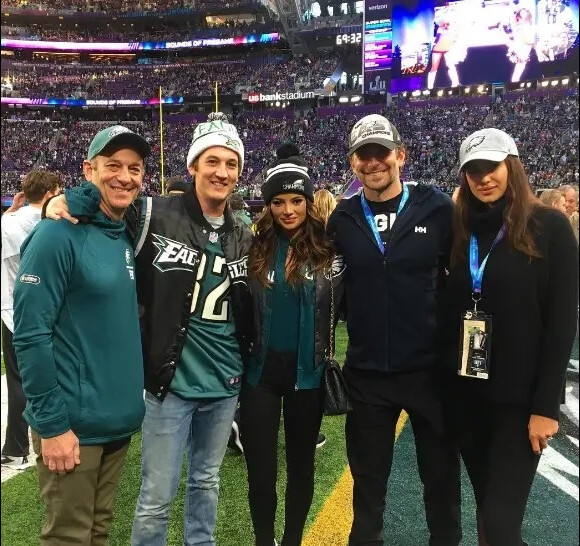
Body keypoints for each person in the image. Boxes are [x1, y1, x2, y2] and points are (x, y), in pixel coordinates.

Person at [45, 113, 253, 545]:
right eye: (212, 161)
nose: (222, 172)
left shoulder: (244, 233)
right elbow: (101, 207)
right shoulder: (151, 212)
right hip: (169, 383)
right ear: (193, 166)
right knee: (156, 497)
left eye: (231, 163)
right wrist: (60, 202)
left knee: (207, 482)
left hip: (224, 383)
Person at [327, 114, 461, 546]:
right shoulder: (343, 219)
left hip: (428, 374)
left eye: (381, 153)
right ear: (353, 164)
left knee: (441, 483)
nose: (373, 163)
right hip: (366, 377)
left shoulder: (437, 207)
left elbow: (462, 275)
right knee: (368, 490)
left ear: (400, 155)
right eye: (363, 156)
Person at [440, 128, 578, 545]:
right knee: (490, 515)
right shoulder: (461, 229)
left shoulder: (550, 226)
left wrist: (545, 406)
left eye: (492, 167)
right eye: (473, 170)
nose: (484, 178)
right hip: (467, 398)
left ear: (512, 167)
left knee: (500, 523)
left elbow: (560, 325)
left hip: (519, 405)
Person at [13, 125, 150, 545]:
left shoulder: (123, 231)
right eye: (113, 166)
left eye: (135, 168)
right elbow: (31, 334)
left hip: (115, 421)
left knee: (98, 531)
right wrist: (52, 425)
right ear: (88, 169)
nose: (124, 177)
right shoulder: (57, 234)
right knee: (69, 538)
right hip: (73, 425)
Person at [243, 143, 341, 546]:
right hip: (259, 375)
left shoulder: (331, 248)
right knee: (260, 472)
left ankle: (292, 542)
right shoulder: (252, 245)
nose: (288, 210)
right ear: (268, 205)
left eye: (296, 200)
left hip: (309, 375)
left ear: (308, 201)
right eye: (279, 201)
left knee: (301, 468)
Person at [1, 170, 61, 471]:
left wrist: (11, 211)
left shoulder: (8, 221)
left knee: (19, 381)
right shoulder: (61, 221)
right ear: (52, 191)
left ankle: (17, 446)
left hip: (13, 310)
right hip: (54, 311)